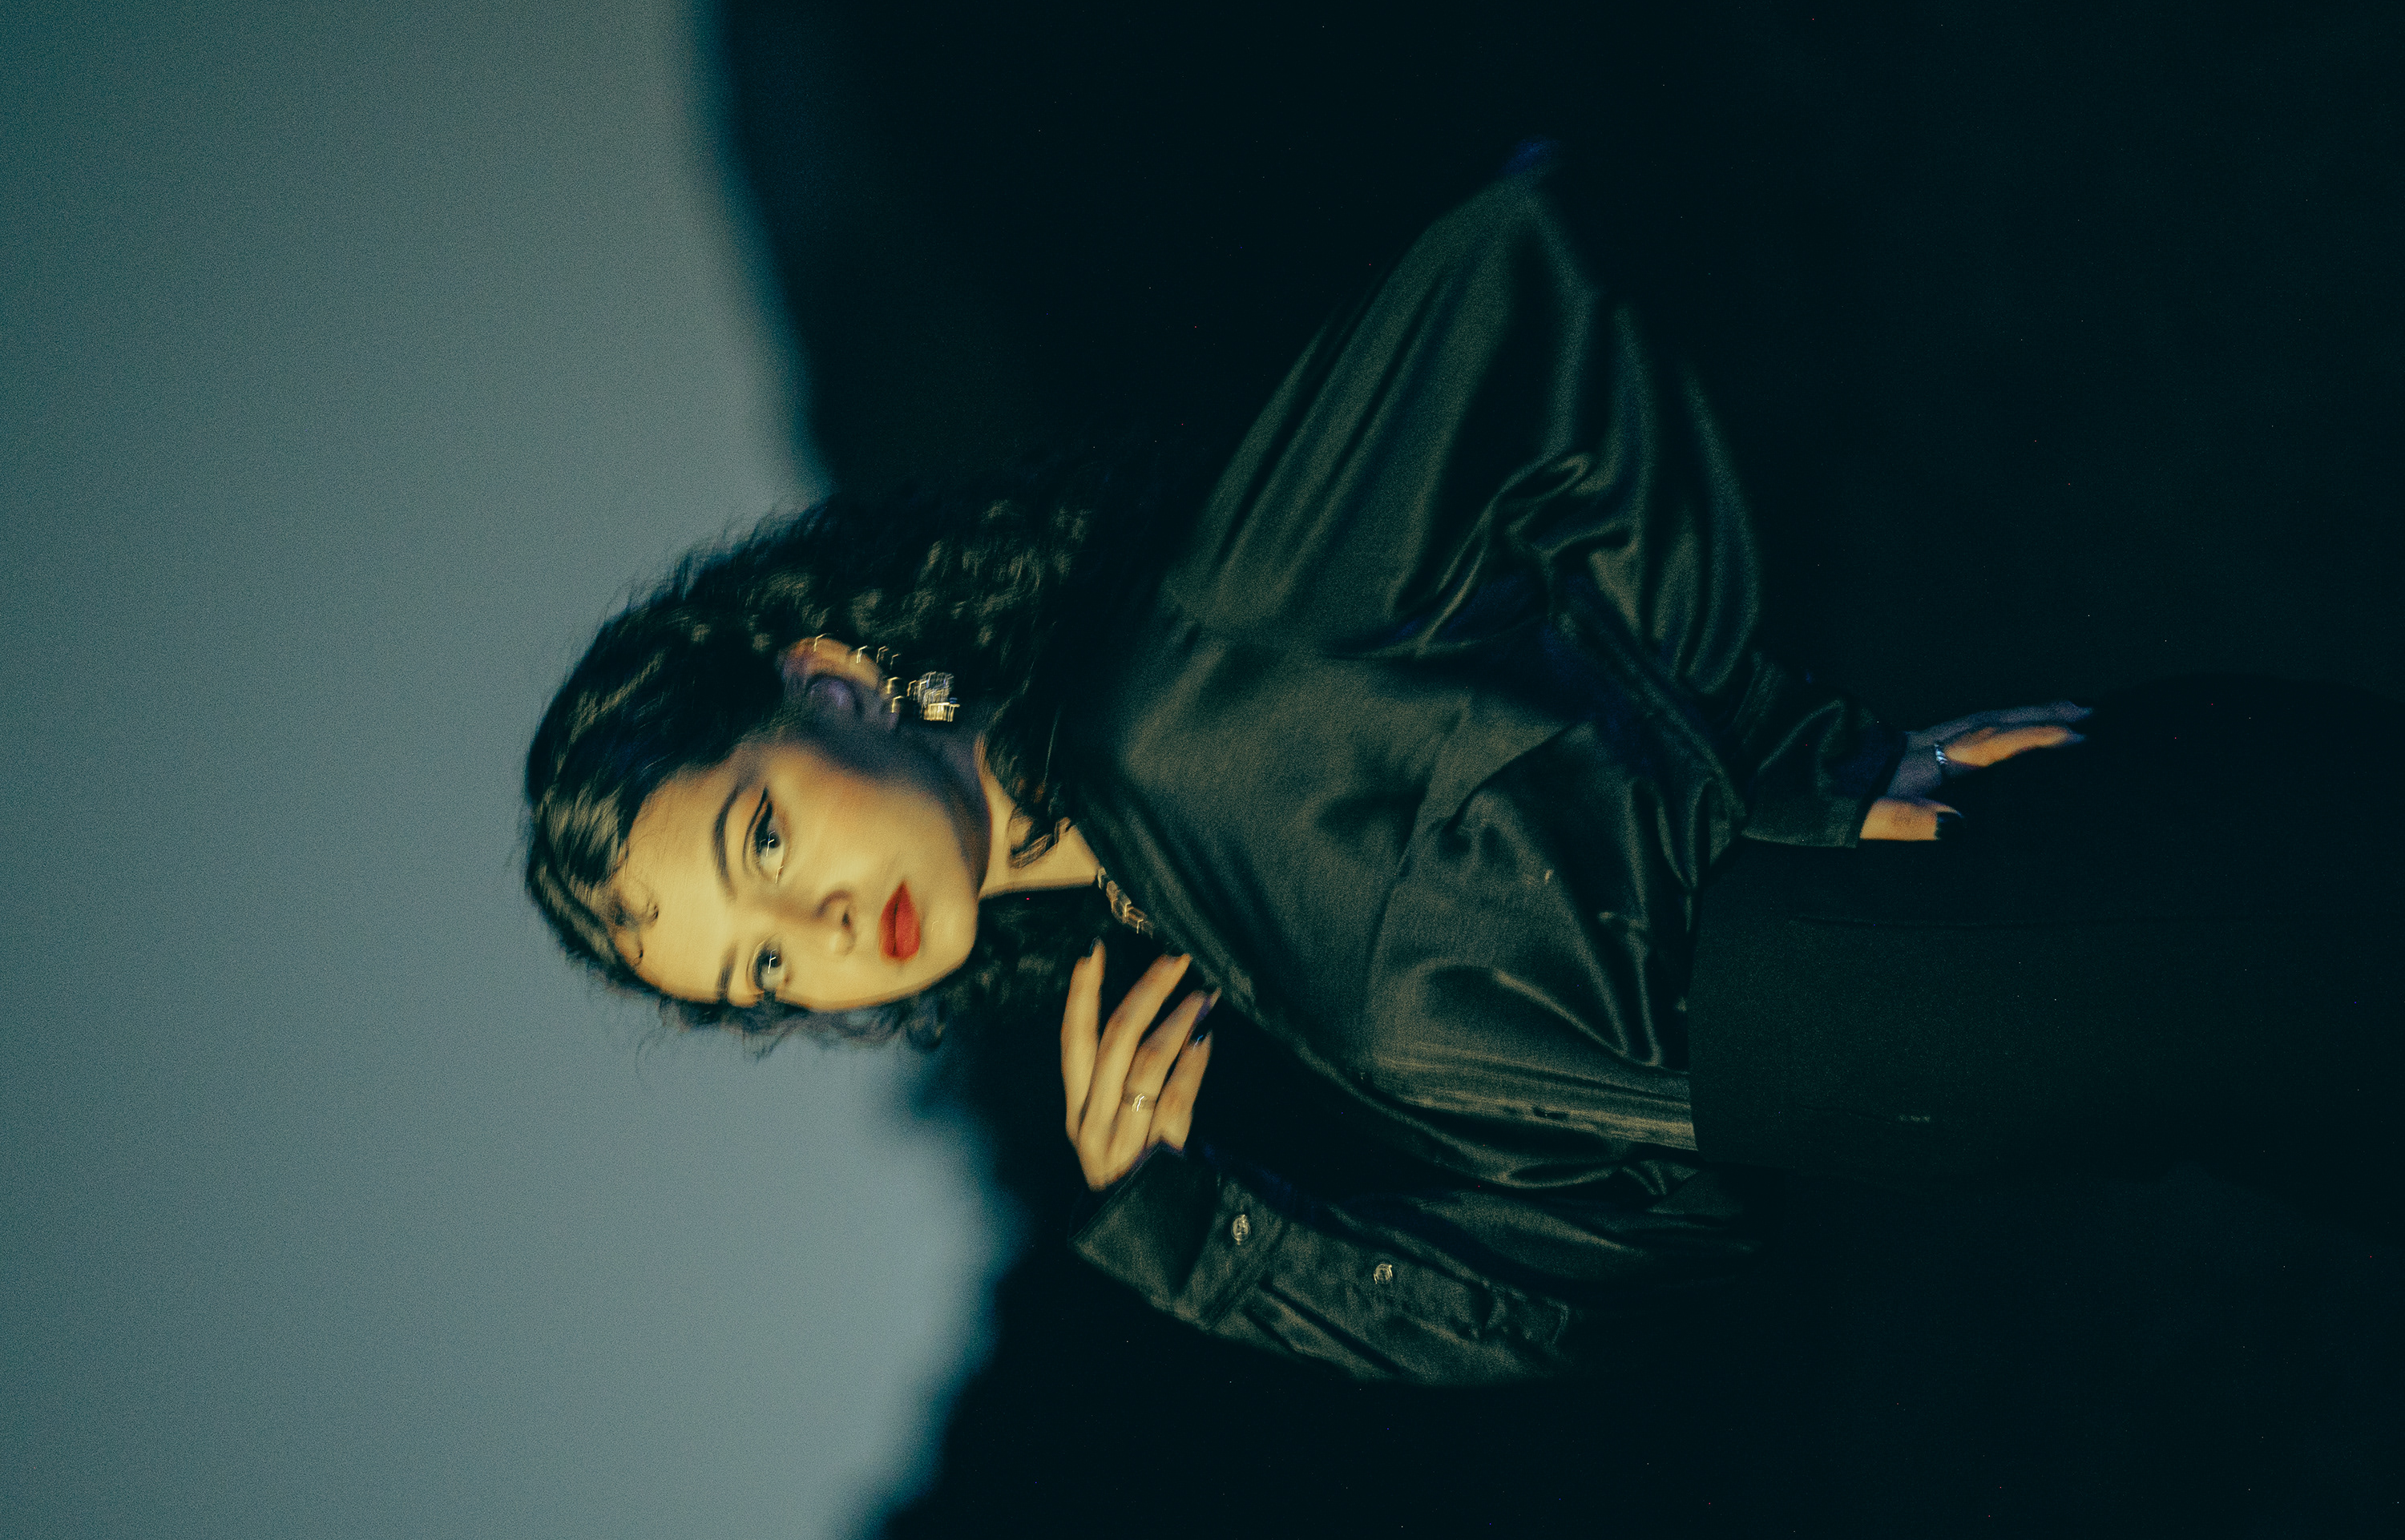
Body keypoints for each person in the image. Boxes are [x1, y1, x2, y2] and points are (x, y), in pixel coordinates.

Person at [523, 168, 2400, 1385]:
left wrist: (1789, 759)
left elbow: (1529, 271)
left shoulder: (1175, 681)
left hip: (1978, 931)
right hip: (1977, 1070)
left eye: (758, 839)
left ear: (832, 680)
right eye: (758, 972)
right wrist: (1193, 1238)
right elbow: (1588, 1271)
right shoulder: (1178, 939)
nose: (815, 929)